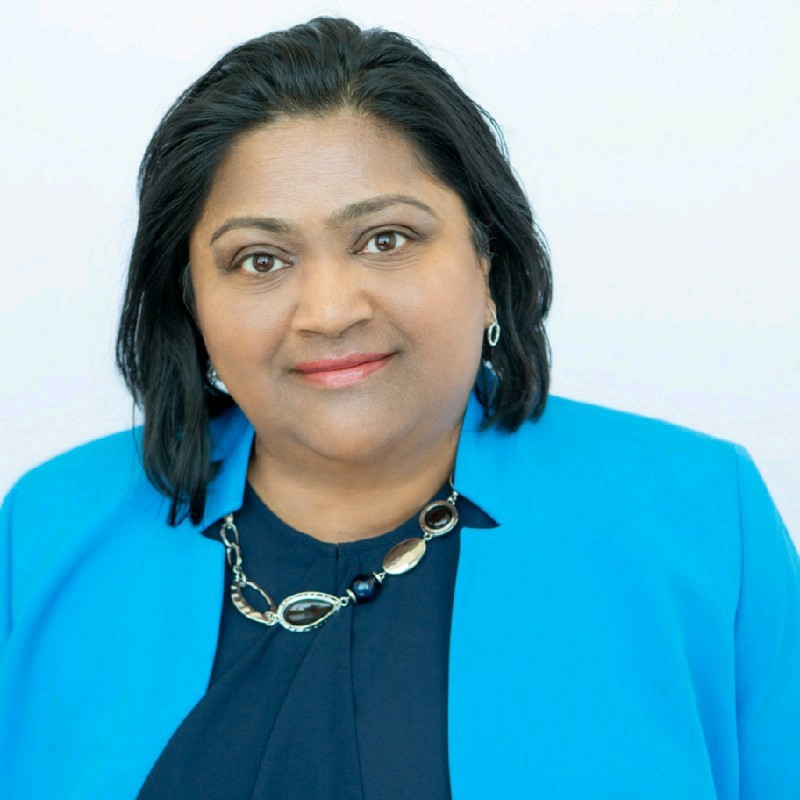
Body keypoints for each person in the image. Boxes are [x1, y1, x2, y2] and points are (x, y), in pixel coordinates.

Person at [1, 15, 798, 800]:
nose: (329, 311)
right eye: (260, 259)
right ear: (193, 304)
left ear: (488, 259)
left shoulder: (701, 518)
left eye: (386, 239)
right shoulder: (45, 529)